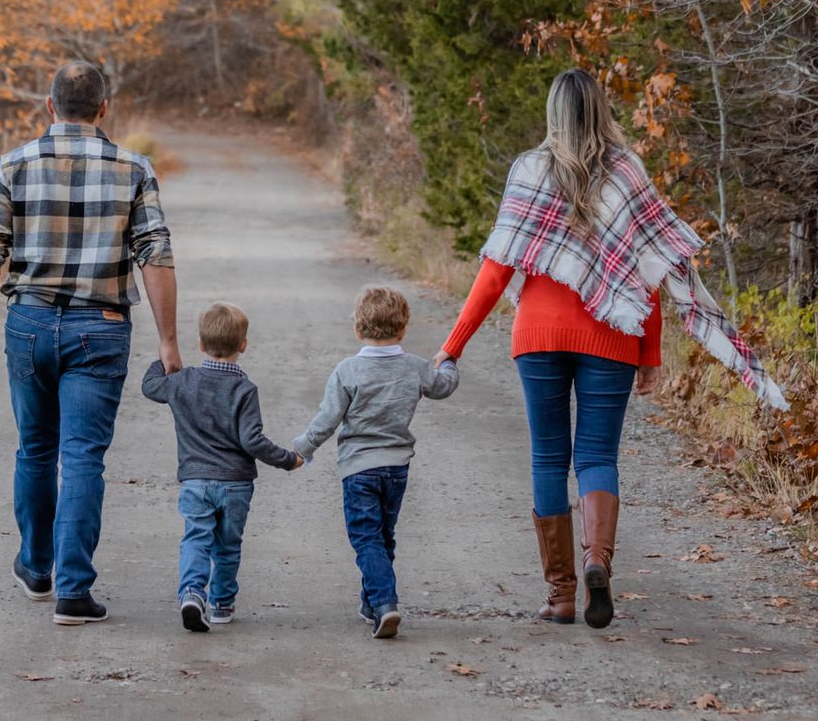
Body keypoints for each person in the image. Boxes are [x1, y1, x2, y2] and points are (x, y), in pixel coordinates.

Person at [436, 69, 784, 630]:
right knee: (597, 457)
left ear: (553, 113)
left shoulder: (530, 169)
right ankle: (598, 562)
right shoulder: (627, 172)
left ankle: (561, 596)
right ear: (599, 110)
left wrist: (451, 347)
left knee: (549, 458)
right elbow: (652, 270)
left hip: (539, 335)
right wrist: (650, 352)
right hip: (613, 336)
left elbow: (496, 271)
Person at [0, 60, 181, 627]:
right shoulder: (134, 168)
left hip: (29, 323)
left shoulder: (14, 163)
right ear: (103, 108)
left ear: (50, 106)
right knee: (83, 455)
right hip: (101, 325)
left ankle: (36, 568)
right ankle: (73, 591)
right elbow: (154, 254)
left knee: (35, 448)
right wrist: (168, 339)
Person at [293, 285, 459, 639]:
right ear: (403, 328)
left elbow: (327, 419)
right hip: (397, 468)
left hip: (358, 469)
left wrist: (302, 448)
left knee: (366, 538)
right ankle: (371, 605)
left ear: (358, 329)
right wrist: (449, 361)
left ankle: (385, 603)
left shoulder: (348, 371)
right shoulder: (415, 367)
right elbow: (443, 386)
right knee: (383, 536)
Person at [141, 302, 304, 633]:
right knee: (227, 546)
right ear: (243, 345)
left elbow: (149, 386)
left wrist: (163, 360)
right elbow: (253, 441)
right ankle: (222, 604)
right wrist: (288, 459)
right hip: (235, 485)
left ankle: (191, 593)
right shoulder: (244, 389)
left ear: (200, 344)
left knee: (196, 540)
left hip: (195, 483)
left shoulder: (182, 382)